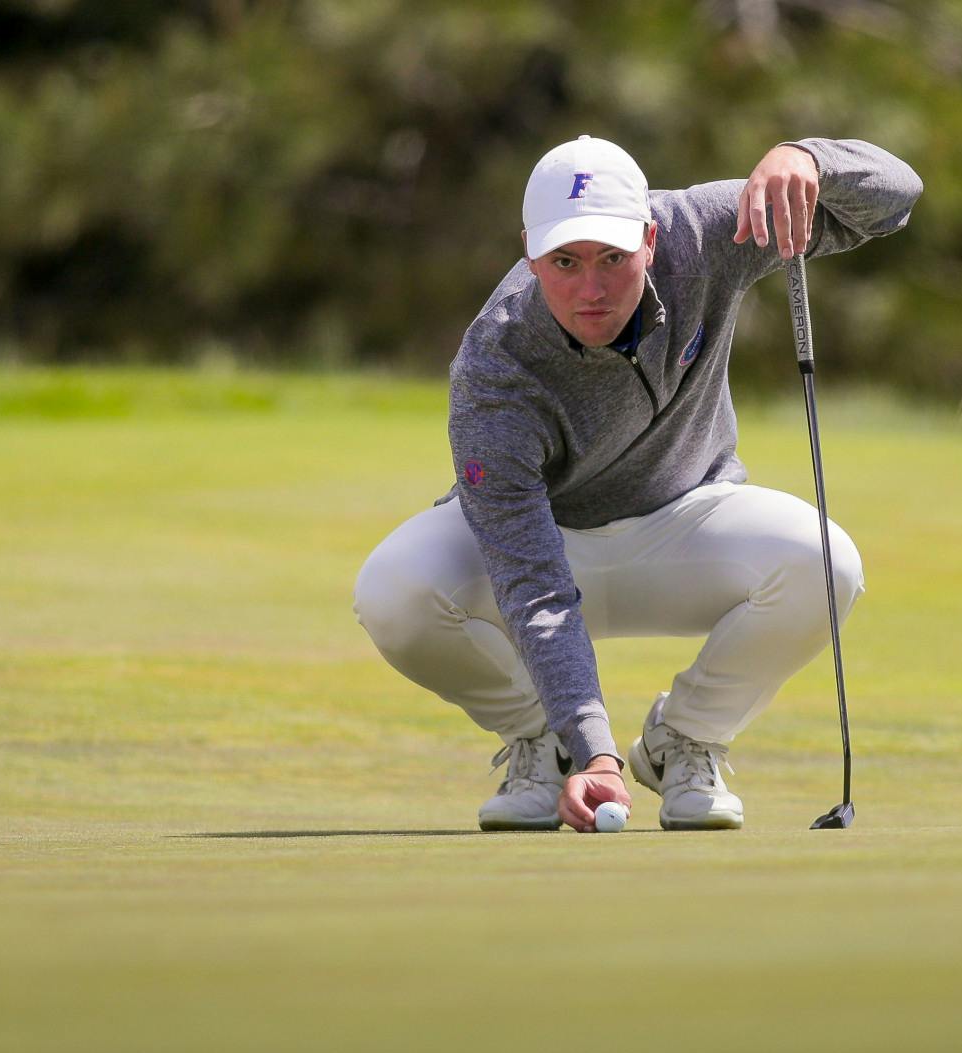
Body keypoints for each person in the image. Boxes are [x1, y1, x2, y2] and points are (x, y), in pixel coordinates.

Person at [353, 134, 921, 832]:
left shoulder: (708, 232)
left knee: (827, 563)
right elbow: (533, 585)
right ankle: (545, 743)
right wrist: (591, 750)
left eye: (612, 260)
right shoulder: (494, 367)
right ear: (530, 252)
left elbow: (896, 200)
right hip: (546, 546)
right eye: (564, 262)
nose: (590, 289)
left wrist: (810, 159)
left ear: (651, 239)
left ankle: (683, 742)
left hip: (686, 525)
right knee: (392, 590)